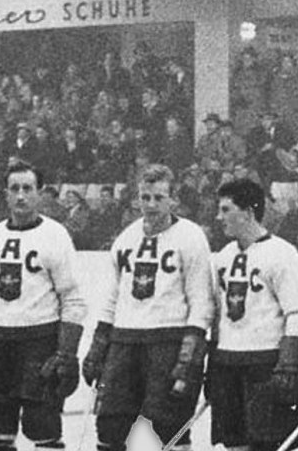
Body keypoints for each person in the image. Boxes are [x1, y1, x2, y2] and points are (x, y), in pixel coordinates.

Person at [82, 164, 216, 451]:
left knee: (170, 424)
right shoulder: (126, 238)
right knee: (110, 423)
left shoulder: (190, 237)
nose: (151, 205)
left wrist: (188, 354)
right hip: (125, 339)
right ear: (136, 199)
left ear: (173, 200)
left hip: (167, 339)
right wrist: (98, 345)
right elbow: (112, 296)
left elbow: (201, 299)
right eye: (145, 197)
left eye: (158, 197)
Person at [0, 164, 87, 451]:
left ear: (39, 193)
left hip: (38, 341)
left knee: (41, 423)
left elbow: (73, 299)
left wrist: (66, 352)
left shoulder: (55, 235)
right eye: (15, 189)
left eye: (27, 189)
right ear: (5, 194)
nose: (21, 196)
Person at [206, 178, 298, 451]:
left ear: (249, 212)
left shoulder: (280, 253)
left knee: (269, 445)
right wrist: (213, 366)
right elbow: (218, 317)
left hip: (265, 365)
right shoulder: (222, 257)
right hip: (228, 363)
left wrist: (289, 364)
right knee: (234, 444)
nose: (219, 217)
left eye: (226, 209)